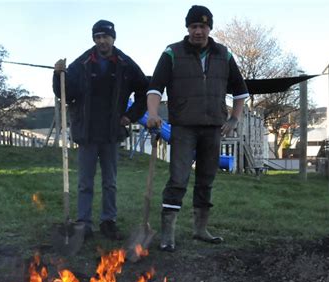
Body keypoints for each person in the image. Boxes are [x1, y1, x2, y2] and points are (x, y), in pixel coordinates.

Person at [146, 5, 249, 252]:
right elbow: (155, 88)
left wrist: (234, 119)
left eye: (203, 26)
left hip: (213, 127)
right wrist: (152, 114)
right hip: (183, 127)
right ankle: (168, 234)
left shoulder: (224, 55)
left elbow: (241, 91)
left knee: (206, 179)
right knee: (178, 179)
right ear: (188, 28)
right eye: (194, 26)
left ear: (210, 28)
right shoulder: (172, 53)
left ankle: (200, 229)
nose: (198, 31)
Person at [53, 20, 148, 240]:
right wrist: (58, 75)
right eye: (97, 37)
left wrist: (130, 116)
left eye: (105, 36)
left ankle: (108, 222)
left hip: (111, 132)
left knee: (110, 181)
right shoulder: (82, 63)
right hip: (86, 131)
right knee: (85, 181)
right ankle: (84, 223)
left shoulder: (125, 64)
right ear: (93, 39)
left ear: (113, 38)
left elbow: (144, 89)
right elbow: (65, 92)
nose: (101, 41)